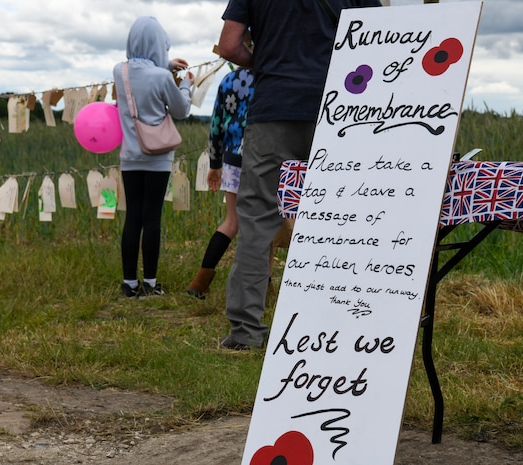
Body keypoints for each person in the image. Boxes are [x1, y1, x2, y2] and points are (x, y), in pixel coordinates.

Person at [216, 0, 381, 349]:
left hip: (273, 108)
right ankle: (338, 324)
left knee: (257, 219)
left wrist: (265, 64)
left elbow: (230, 45)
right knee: (342, 219)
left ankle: (246, 332)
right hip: (339, 107)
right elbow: (379, 38)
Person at [113, 16, 194, 298]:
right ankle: (150, 283)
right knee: (152, 217)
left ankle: (129, 283)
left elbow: (140, 74)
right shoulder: (162, 77)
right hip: (159, 157)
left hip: (130, 155)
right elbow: (181, 110)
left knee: (132, 216)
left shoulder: (119, 71)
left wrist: (166, 67)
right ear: (160, 43)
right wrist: (184, 84)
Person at [186, 65, 255, 300]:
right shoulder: (273, 73)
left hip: (233, 158)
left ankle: (200, 281)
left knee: (231, 222)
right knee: (262, 227)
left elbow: (216, 123)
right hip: (264, 157)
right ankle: (262, 288)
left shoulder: (229, 80)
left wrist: (215, 164)